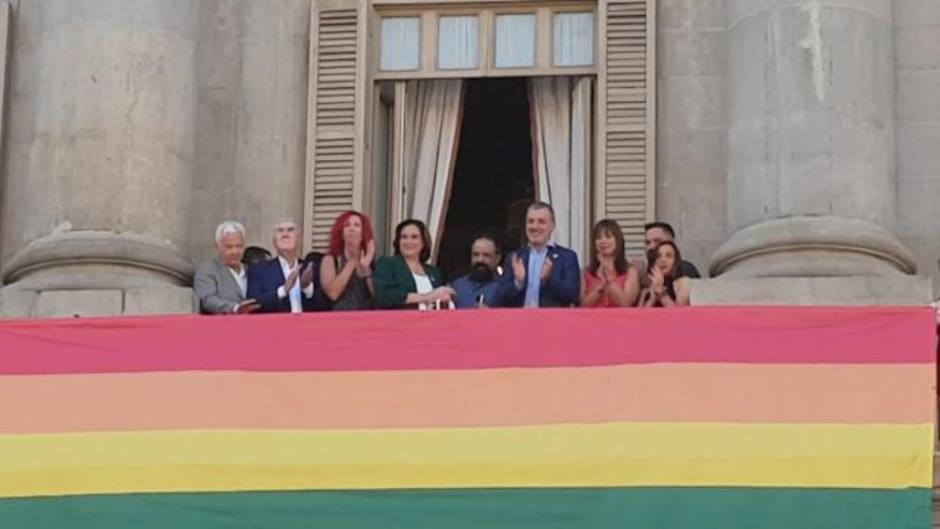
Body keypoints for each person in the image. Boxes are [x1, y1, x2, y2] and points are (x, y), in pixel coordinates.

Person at [495, 201, 580, 308]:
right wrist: (518, 283)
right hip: (519, 322)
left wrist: (549, 280)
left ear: (552, 226)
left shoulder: (567, 257)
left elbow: (573, 295)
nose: (535, 227)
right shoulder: (515, 258)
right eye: (530, 221)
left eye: (541, 222)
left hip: (552, 322)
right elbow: (499, 298)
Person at [374, 219, 455, 310]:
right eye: (404, 237)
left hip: (433, 322)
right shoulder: (387, 264)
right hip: (401, 322)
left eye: (414, 237)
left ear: (424, 242)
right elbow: (385, 296)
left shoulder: (434, 271)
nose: (408, 241)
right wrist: (428, 296)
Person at [246, 220, 317, 313]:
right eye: (280, 231)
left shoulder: (311, 268)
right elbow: (253, 304)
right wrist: (284, 290)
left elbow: (324, 305)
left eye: (290, 230)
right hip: (275, 326)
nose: (285, 234)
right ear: (274, 242)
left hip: (307, 325)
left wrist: (307, 287)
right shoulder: (258, 270)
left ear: (299, 239)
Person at [193, 221, 260, 315]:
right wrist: (235, 308)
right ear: (217, 247)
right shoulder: (207, 269)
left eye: (239, 246)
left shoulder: (251, 270)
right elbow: (207, 299)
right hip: (222, 326)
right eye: (229, 247)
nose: (235, 251)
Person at [319, 211, 376, 311]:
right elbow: (333, 293)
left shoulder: (371, 261)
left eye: (357, 225)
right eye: (347, 225)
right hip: (339, 320)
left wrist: (366, 270)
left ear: (363, 233)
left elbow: (379, 298)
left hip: (367, 321)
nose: (351, 228)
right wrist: (352, 262)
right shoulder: (330, 260)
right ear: (341, 232)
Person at [580, 219, 640, 308]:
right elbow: (582, 306)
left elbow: (626, 304)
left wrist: (610, 279)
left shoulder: (630, 271)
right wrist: (599, 287)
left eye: (608, 237)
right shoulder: (585, 272)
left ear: (617, 240)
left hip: (620, 320)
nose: (603, 241)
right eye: (599, 238)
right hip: (592, 320)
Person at [450, 235, 501, 308]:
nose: (480, 260)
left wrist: (492, 315)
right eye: (476, 255)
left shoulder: (505, 288)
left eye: (486, 255)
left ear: (497, 258)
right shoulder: (456, 286)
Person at [640, 240, 691, 307]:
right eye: (658, 256)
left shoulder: (683, 282)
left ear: (676, 261)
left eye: (668, 256)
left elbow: (680, 314)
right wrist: (652, 299)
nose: (663, 259)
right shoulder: (646, 290)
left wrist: (661, 294)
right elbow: (640, 315)